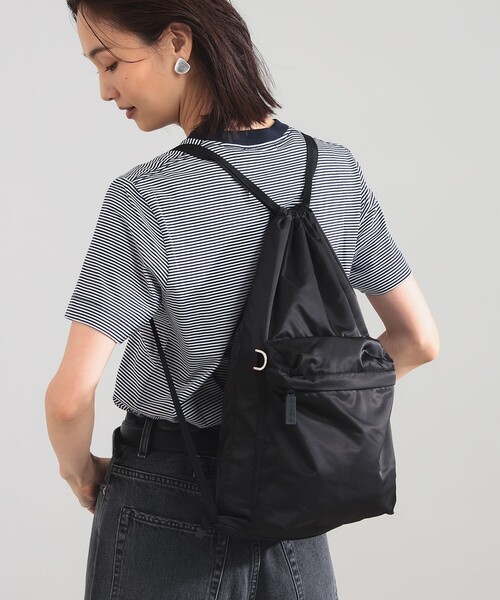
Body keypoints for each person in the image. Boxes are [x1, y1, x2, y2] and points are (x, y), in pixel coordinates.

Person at [45, 1, 440, 598]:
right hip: (294, 497)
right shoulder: (335, 170)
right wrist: (305, 410)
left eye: (110, 63)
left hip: (169, 495)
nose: (104, 90)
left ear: (178, 43)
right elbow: (419, 341)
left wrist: (80, 475)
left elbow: (69, 400)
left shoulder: (147, 196)